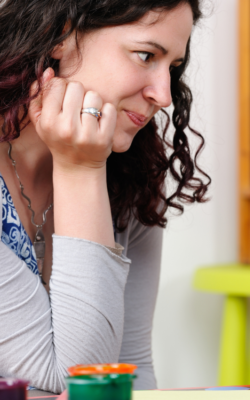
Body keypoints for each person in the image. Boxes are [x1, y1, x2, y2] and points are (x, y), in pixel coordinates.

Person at [0, 0, 209, 393]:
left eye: (174, 66)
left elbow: (130, 368)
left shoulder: (134, 177)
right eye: (146, 55)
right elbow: (79, 379)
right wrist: (80, 172)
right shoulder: (94, 165)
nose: (164, 95)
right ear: (59, 36)